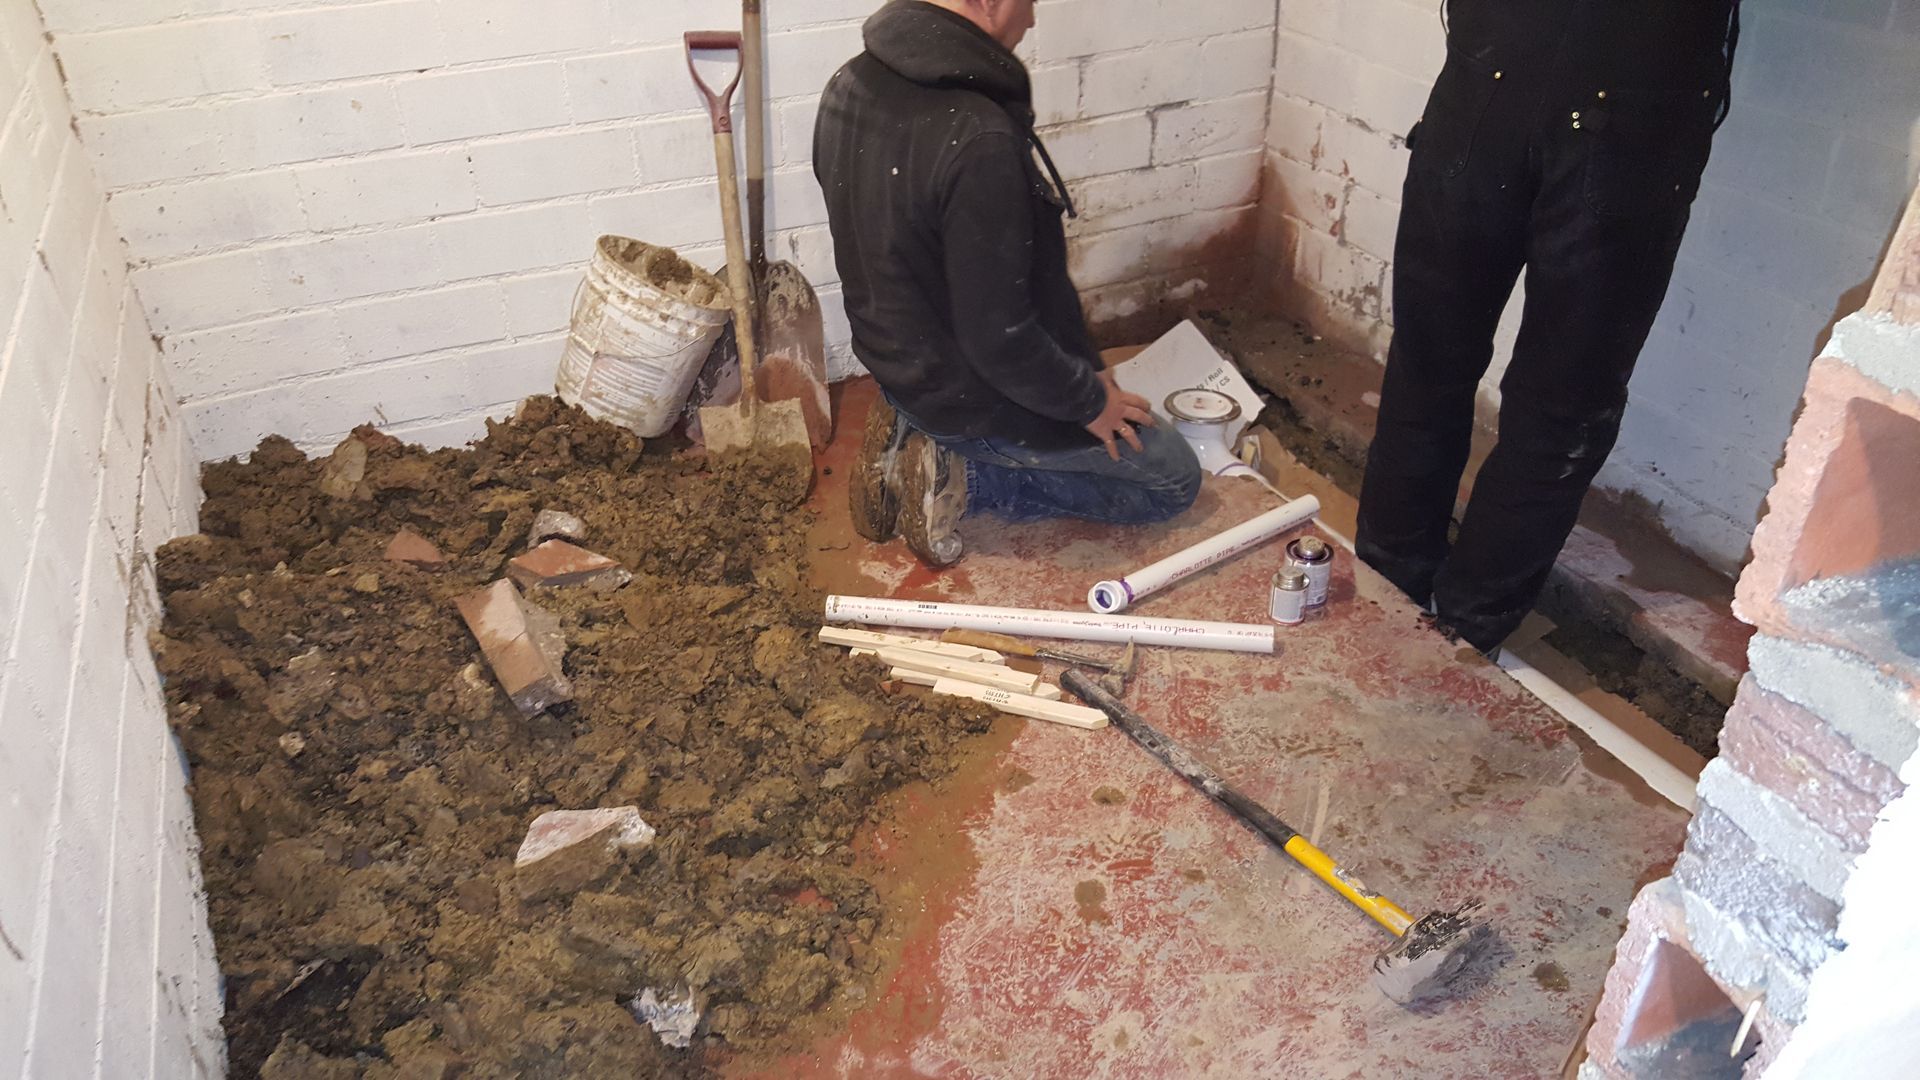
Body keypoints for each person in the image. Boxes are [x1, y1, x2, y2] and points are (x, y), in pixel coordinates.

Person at [1355, 0, 1741, 654]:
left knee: (1538, 397)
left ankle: (1451, 622)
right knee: (1472, 375)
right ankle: (1410, 596)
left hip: (1607, 110)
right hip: (1525, 92)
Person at [813, 0, 1202, 567]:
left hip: (899, 363)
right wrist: (1090, 402)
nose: (1035, 18)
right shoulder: (978, 138)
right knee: (1172, 480)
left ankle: (914, 427)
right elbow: (999, 339)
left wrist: (1081, 362)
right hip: (971, 397)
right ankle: (966, 476)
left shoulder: (849, 82)